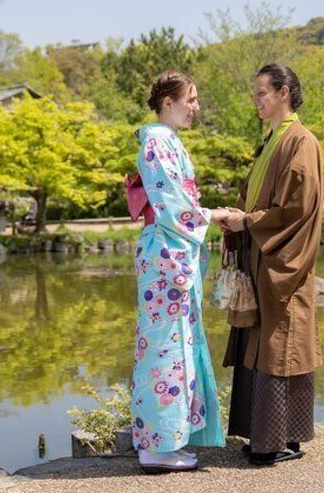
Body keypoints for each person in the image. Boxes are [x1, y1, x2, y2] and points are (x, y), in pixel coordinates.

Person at [222, 64, 324, 466]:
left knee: (282, 343)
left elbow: (297, 209)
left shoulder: (301, 141)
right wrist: (241, 216)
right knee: (267, 343)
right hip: (262, 255)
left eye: (262, 93)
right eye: (256, 94)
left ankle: (273, 442)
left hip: (283, 260)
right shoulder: (274, 139)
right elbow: (260, 201)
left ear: (284, 93)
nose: (257, 100)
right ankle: (273, 437)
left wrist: (248, 221)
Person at [130, 70, 228, 473]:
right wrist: (212, 214)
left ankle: (169, 440)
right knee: (163, 348)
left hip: (174, 255)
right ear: (167, 102)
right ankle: (156, 446)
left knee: (176, 345)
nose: (195, 107)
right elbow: (171, 203)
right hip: (165, 255)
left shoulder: (167, 140)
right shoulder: (155, 142)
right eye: (190, 99)